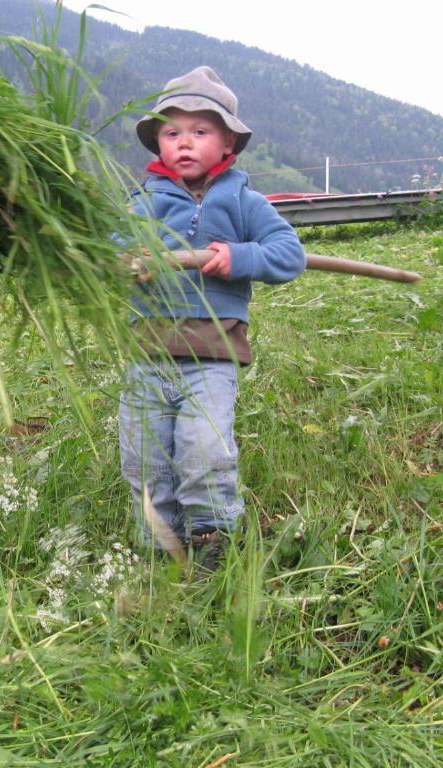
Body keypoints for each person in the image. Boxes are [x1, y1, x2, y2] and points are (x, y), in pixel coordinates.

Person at [119, 65, 306, 564]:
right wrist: (128, 257)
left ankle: (211, 540)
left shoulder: (244, 202)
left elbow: (289, 254)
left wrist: (239, 257)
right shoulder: (141, 204)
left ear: (227, 145)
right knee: (144, 458)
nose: (184, 142)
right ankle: (159, 545)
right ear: (157, 142)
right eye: (171, 132)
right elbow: (110, 251)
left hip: (212, 357)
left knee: (204, 451)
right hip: (146, 358)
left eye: (200, 132)